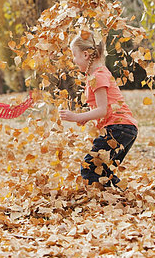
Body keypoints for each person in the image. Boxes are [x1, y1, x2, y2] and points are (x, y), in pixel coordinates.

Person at [58, 34, 138, 188]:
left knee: (89, 168)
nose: (73, 60)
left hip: (118, 128)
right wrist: (87, 117)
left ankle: (104, 203)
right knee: (102, 171)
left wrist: (76, 116)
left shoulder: (98, 77)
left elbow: (102, 110)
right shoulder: (99, 73)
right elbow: (103, 106)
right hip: (125, 128)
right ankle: (122, 195)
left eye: (74, 55)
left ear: (86, 54)